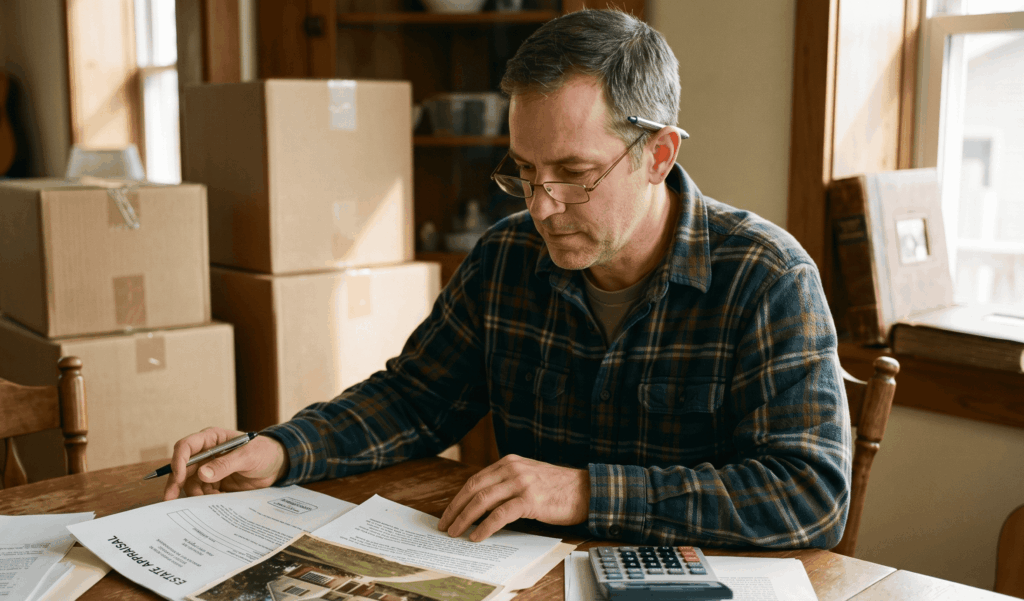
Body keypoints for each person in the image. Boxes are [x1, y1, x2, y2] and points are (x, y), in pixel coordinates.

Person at [165, 8, 851, 549]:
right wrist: (282, 447)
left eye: (574, 175)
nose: (542, 207)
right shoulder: (506, 258)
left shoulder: (768, 276)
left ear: (658, 154)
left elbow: (809, 495)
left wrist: (585, 492)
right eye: (524, 171)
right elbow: (413, 400)